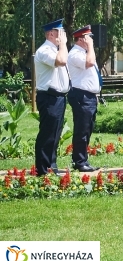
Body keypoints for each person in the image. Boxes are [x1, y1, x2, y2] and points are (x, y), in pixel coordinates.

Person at [33, 18, 70, 176]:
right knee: (48, 133)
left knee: (55, 133)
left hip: (59, 98)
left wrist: (62, 46)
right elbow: (61, 61)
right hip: (49, 97)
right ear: (50, 34)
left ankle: (51, 166)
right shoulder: (45, 51)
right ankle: (42, 169)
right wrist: (63, 45)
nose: (62, 35)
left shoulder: (55, 50)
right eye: (59, 32)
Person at [67, 25, 102, 172]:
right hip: (81, 95)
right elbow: (88, 63)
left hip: (89, 96)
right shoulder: (76, 54)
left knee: (87, 129)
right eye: (89, 37)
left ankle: (83, 160)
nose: (91, 40)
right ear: (81, 39)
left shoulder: (85, 53)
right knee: (82, 129)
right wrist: (91, 48)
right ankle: (79, 161)